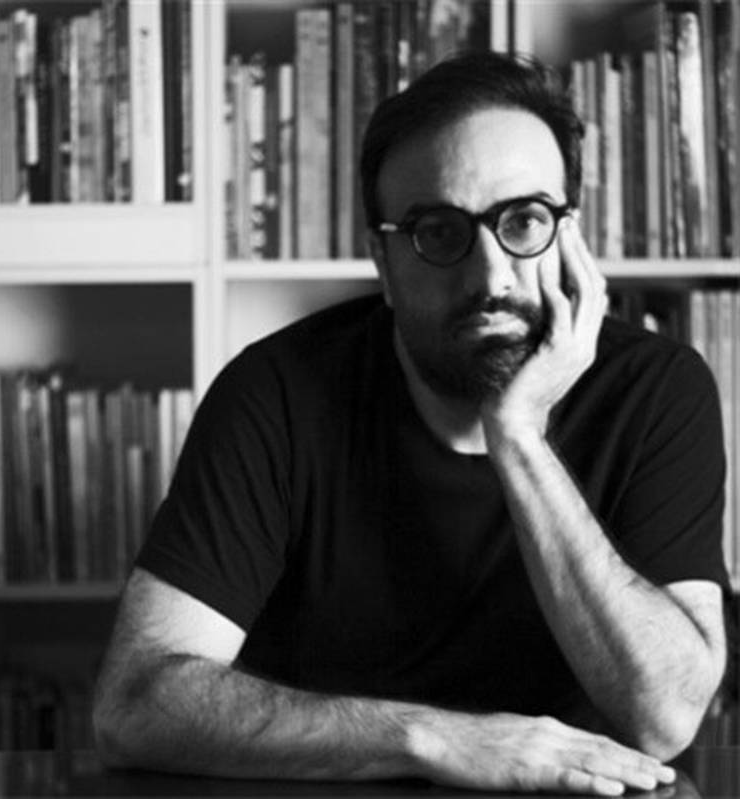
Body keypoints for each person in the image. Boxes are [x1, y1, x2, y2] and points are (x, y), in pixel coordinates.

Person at [91, 51, 729, 796]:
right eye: (439, 232)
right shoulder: (275, 395)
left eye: (525, 221)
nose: (492, 276)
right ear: (384, 262)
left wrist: (518, 436)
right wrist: (431, 738)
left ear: (571, 237)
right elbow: (133, 705)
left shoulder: (658, 390)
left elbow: (666, 719)